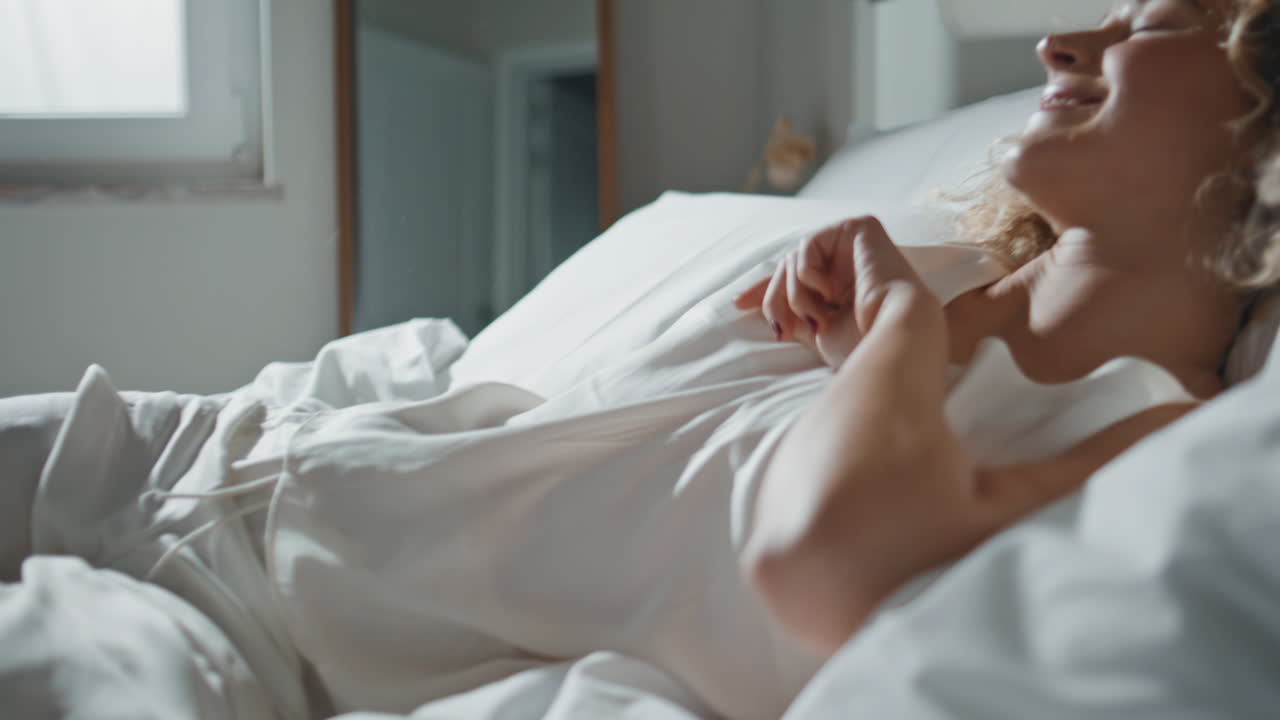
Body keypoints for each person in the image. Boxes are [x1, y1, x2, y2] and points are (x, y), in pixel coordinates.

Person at [733, 0, 1280, 656]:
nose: (1054, 45)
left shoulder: (1169, 432)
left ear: (1264, 131)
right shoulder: (876, 275)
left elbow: (824, 561)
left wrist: (897, 327)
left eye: (1151, 25)